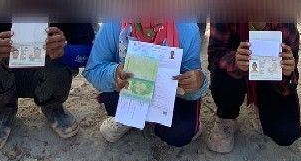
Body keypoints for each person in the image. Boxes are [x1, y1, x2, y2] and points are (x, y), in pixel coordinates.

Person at [0, 6, 94, 151]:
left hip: (46, 78)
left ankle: (53, 106)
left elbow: (92, 56)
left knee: (58, 55)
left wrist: (65, 51)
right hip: (4, 81)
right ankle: (3, 111)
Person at [83, 19, 208, 147]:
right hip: (128, 92)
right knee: (111, 101)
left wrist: (198, 82)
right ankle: (130, 118)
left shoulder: (186, 26)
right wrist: (114, 74)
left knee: (181, 132)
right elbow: (92, 70)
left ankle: (147, 119)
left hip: (172, 98)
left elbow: (193, 81)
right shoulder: (114, 23)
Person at [206, 22, 301, 152]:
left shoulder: (286, 24)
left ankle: (260, 105)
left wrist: (287, 73)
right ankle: (226, 116)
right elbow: (214, 54)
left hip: (270, 78)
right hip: (235, 68)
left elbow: (290, 84)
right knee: (222, 75)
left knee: (286, 132)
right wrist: (235, 61)